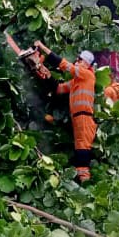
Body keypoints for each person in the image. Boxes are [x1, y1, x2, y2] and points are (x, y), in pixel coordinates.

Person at [35, 41, 96, 182]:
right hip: (78, 118)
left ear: (86, 63)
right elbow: (58, 89)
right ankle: (83, 180)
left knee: (82, 149)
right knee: (80, 149)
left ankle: (85, 181)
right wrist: (47, 74)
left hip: (84, 118)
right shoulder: (77, 82)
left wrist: (44, 48)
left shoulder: (87, 75)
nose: (76, 61)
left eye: (79, 60)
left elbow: (65, 65)